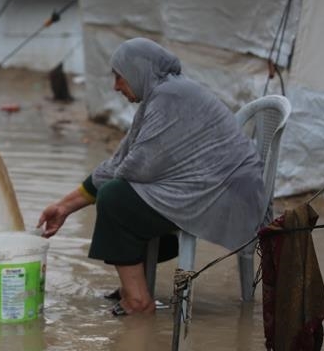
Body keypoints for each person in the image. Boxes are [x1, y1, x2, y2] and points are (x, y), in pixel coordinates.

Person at [38, 38, 268, 316]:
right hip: (210, 189)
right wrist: (64, 207)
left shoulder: (170, 97)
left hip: (224, 197)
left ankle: (138, 302)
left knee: (115, 198)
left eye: (119, 77)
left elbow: (137, 168)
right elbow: (120, 161)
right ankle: (132, 289)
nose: (115, 86)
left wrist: (112, 187)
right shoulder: (163, 95)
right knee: (122, 191)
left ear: (138, 71)